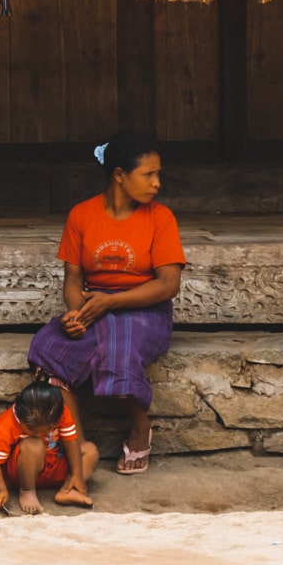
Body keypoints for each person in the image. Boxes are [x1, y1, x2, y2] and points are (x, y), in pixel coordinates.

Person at [25, 131, 184, 475]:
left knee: (117, 346)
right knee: (50, 347)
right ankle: (79, 449)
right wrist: (75, 314)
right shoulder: (82, 215)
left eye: (158, 174)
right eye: (148, 174)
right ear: (119, 175)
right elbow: (73, 278)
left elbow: (168, 284)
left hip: (145, 309)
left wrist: (110, 305)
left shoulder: (161, 218)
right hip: (94, 305)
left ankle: (140, 425)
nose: (157, 183)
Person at [0, 374, 98, 515]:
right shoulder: (4, 425)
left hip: (54, 466)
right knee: (34, 444)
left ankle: (68, 490)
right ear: (20, 417)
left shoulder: (61, 412)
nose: (40, 434)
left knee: (90, 450)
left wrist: (77, 474)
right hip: (23, 472)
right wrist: (0, 490)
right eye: (32, 431)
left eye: (46, 430)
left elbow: (71, 443)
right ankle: (28, 491)